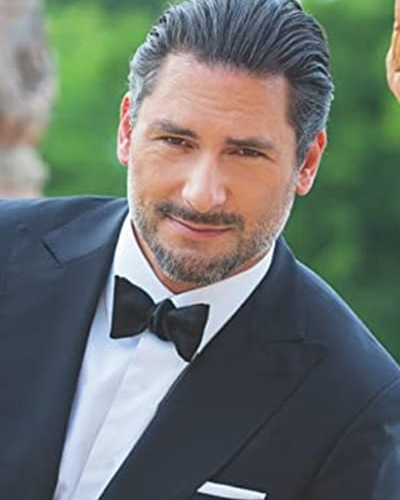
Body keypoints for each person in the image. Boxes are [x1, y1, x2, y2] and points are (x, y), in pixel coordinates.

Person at [0, 0, 399, 499]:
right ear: (127, 129)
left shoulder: (358, 400)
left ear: (307, 163)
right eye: (176, 141)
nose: (201, 195)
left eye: (246, 152)